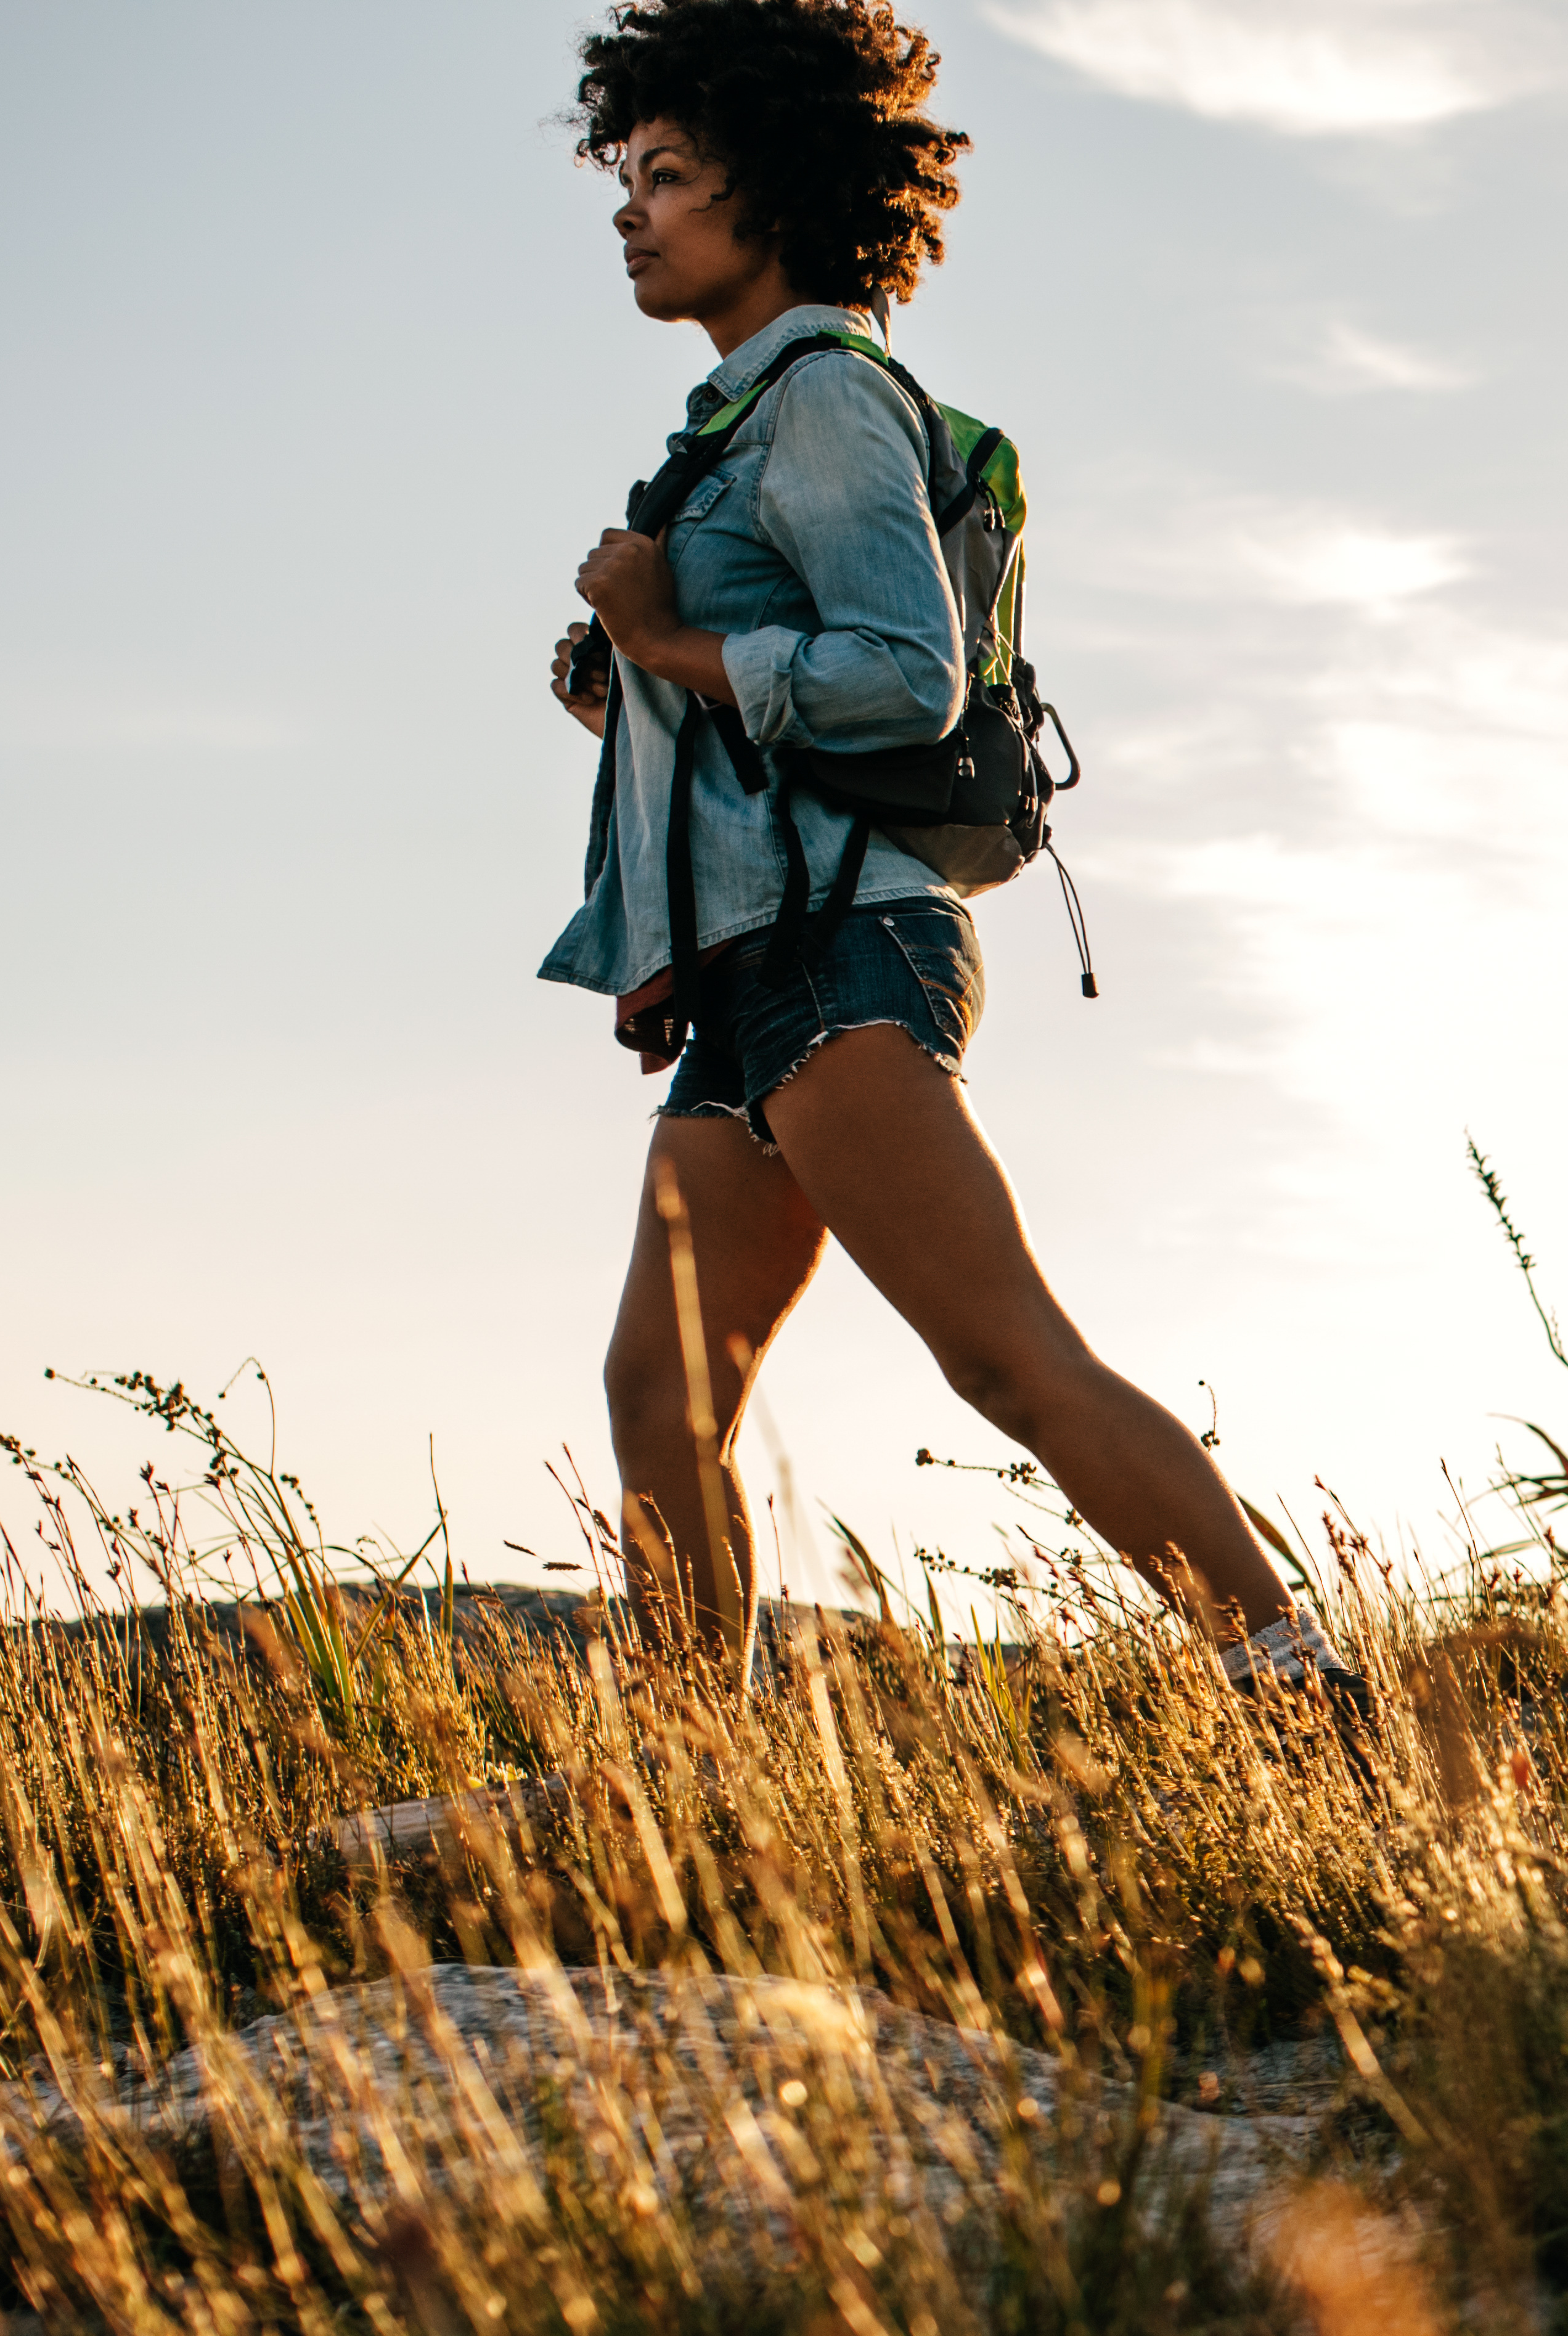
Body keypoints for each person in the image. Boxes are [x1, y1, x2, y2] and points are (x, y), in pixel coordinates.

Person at [544, 0, 1350, 1702]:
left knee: (1003, 1356)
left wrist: (674, 646)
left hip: (849, 949)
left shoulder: (824, 398)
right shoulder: (725, 431)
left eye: (669, 174)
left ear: (772, 192)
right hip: (748, 976)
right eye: (626, 175)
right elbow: (781, 702)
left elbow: (909, 678)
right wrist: (635, 692)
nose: (633, 209)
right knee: (662, 1396)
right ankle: (698, 1775)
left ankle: (1303, 1690)